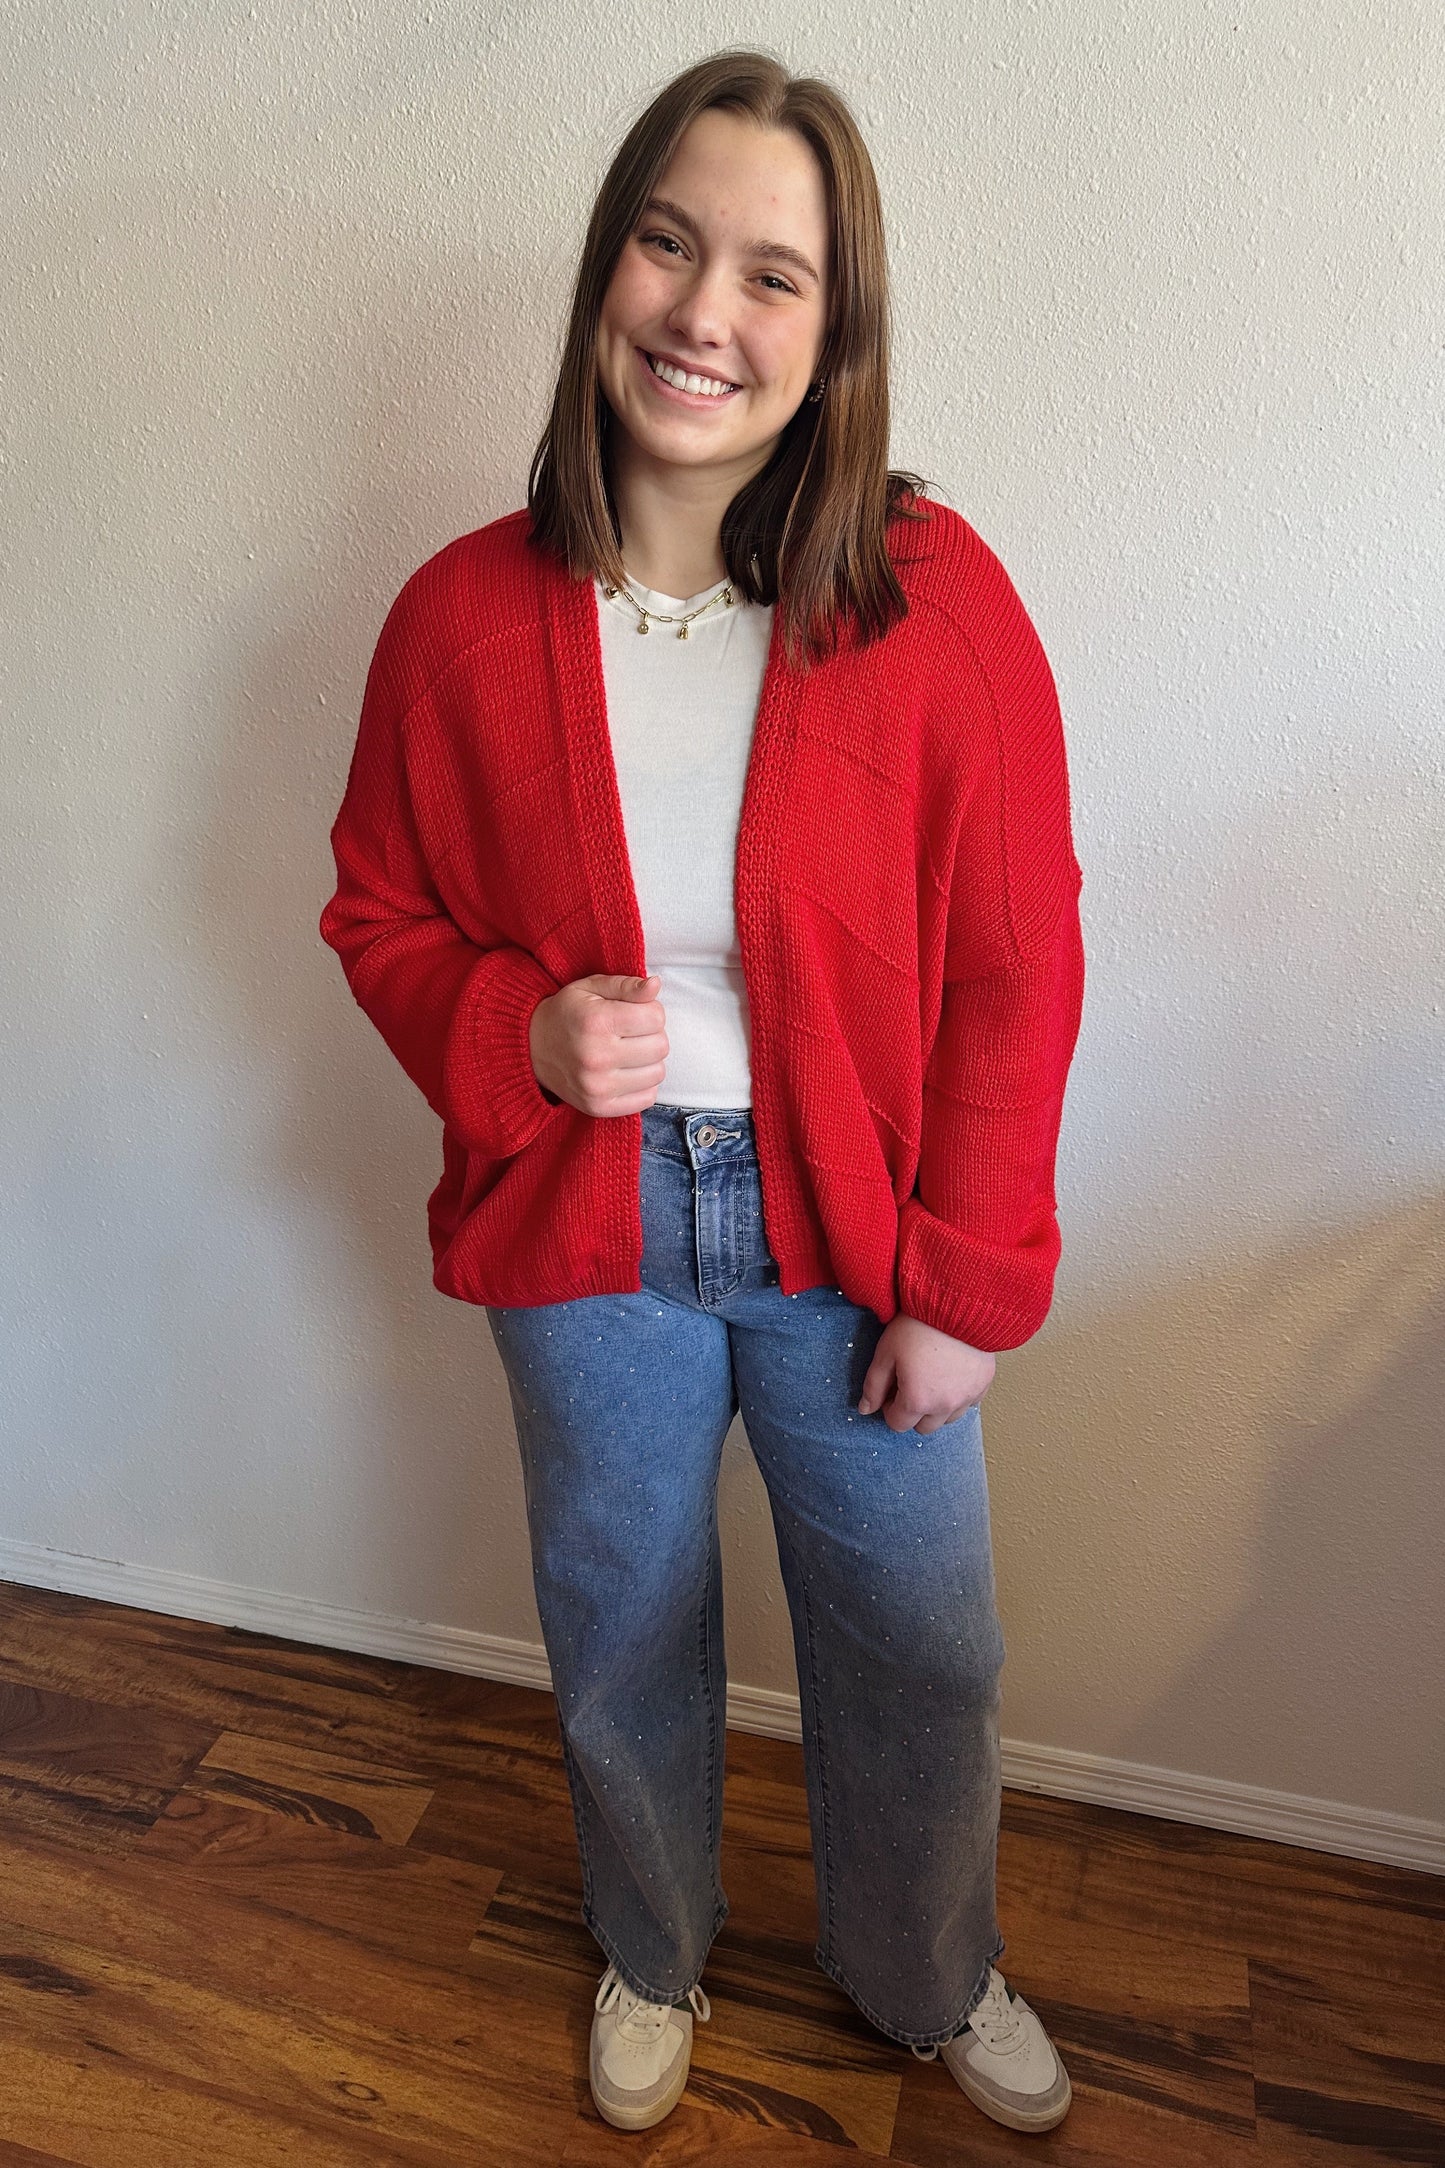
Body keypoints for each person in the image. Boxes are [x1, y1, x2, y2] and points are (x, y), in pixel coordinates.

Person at [319, 48, 1084, 2139]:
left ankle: (925, 1972)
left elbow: (1020, 965)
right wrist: (519, 1036)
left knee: (921, 1644)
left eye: (775, 274)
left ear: (834, 341)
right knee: (620, 1617)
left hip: (859, 1238)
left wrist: (972, 1277)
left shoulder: (932, 604)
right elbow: (377, 910)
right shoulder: (460, 619)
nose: (706, 312)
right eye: (670, 241)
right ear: (607, 270)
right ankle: (652, 1948)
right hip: (589, 1239)